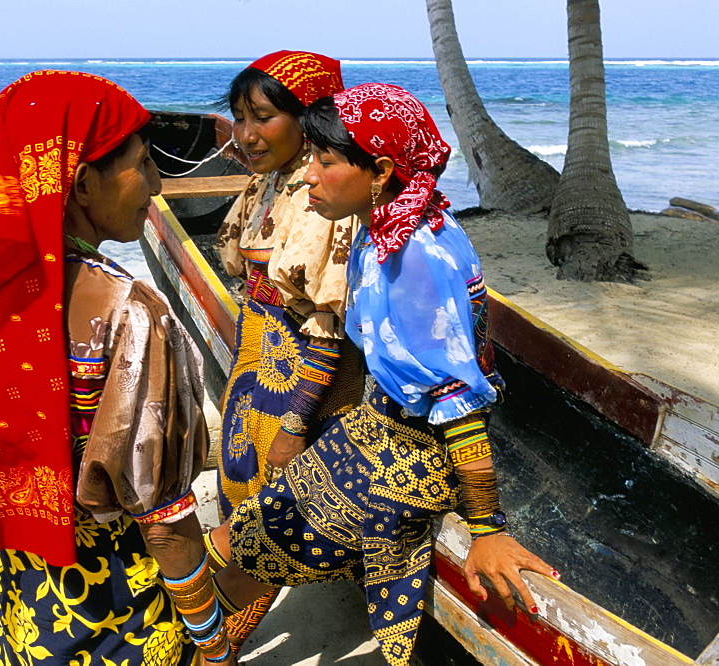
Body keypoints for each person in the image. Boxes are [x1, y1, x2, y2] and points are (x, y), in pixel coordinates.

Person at [0, 71, 234, 665]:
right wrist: (214, 643)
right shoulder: (129, 314)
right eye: (144, 165)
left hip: (26, 618)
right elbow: (164, 520)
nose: (159, 185)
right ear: (83, 184)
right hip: (122, 622)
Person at [207, 83, 560, 664]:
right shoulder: (385, 228)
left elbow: (457, 399)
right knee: (244, 536)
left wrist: (488, 528)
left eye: (324, 162)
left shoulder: (414, 254)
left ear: (381, 169)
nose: (310, 178)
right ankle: (208, 641)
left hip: (413, 453)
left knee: (238, 546)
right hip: (377, 427)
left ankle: (199, 643)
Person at [212, 52, 365, 649]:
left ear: (309, 117)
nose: (246, 135)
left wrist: (297, 421)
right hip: (254, 375)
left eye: (263, 117)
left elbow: (327, 322)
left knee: (266, 534)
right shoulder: (270, 182)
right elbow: (240, 267)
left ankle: (212, 645)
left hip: (301, 393)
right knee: (239, 501)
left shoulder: (323, 196)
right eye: (238, 117)